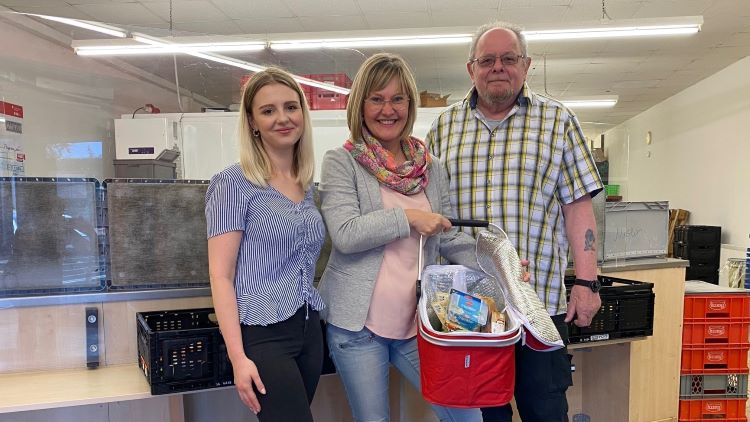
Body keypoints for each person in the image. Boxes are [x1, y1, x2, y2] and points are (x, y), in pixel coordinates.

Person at [426, 21, 604, 422]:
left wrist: (587, 282)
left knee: (545, 409)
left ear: (527, 66)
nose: (498, 67)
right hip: (469, 310)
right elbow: (433, 216)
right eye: (487, 60)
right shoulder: (443, 128)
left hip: (538, 303)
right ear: (471, 69)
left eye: (509, 59)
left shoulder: (558, 122)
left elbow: (578, 208)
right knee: (482, 415)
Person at [318, 52, 482, 422]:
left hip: (417, 323)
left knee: (466, 415)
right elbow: (345, 234)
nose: (387, 109)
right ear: (360, 105)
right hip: (358, 328)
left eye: (397, 98)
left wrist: (497, 267)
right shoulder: (341, 162)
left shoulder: (431, 167)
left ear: (410, 103)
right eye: (376, 99)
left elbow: (450, 236)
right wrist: (408, 218)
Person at [205, 67, 325, 422]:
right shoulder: (232, 183)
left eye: (291, 107)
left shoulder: (306, 185)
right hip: (264, 335)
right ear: (252, 122)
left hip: (308, 329)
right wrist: (238, 358)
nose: (283, 118)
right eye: (268, 110)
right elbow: (220, 276)